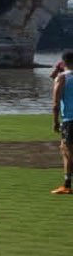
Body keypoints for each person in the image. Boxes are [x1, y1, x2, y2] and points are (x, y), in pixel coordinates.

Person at [51, 51, 73, 195]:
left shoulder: (62, 78)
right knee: (65, 149)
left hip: (69, 120)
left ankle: (67, 185)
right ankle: (66, 184)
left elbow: (55, 102)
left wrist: (54, 121)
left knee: (67, 151)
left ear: (63, 62)